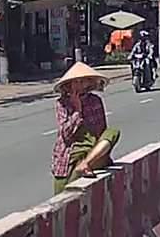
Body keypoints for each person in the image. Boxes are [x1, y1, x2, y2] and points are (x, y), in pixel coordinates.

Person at [51, 62, 121, 194]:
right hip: (69, 156)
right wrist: (77, 110)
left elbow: (102, 130)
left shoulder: (95, 101)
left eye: (82, 81)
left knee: (112, 132)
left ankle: (86, 163)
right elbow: (66, 135)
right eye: (76, 82)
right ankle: (80, 167)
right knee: (63, 196)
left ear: (88, 83)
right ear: (69, 84)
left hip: (91, 153)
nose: (79, 85)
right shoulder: (62, 103)